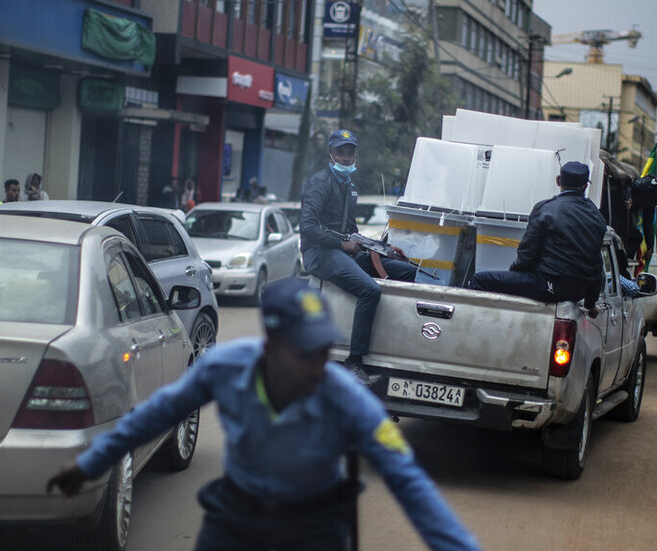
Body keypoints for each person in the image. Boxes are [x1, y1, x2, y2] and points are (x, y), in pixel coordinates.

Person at [46, 279, 481, 551]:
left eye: (321, 349)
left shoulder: (349, 397)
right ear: (271, 341)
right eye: (302, 350)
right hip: (238, 515)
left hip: (316, 524)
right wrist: (89, 465)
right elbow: (153, 417)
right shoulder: (225, 368)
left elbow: (408, 481)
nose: (316, 363)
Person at [299, 129, 416, 382]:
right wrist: (341, 246)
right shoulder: (320, 183)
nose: (346, 157)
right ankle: (355, 361)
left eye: (350, 152)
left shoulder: (349, 187)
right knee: (370, 290)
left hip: (343, 251)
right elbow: (307, 227)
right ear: (330, 154)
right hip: (321, 253)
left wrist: (381, 247)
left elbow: (352, 232)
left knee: (407, 271)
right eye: (340, 152)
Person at [467, 161, 606, 312]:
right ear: (586, 186)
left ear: (558, 180)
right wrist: (590, 303)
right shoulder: (597, 217)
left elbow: (527, 253)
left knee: (479, 280)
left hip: (546, 286)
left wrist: (515, 275)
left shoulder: (546, 209)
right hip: (578, 291)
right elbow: (596, 264)